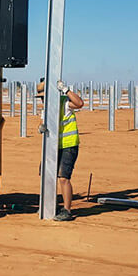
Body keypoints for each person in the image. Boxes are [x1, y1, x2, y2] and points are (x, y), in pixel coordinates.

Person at [36, 78, 84, 221]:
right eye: (41, 98)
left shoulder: (65, 103)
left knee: (63, 178)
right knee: (46, 174)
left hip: (68, 145)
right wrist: (40, 127)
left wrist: (66, 90)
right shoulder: (45, 110)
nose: (42, 100)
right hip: (53, 146)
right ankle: (50, 205)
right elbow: (41, 122)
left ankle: (67, 210)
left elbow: (80, 103)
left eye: (44, 97)